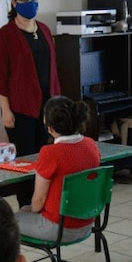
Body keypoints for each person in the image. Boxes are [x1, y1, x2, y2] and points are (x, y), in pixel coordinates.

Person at [0, 0, 61, 207]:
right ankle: (25, 206)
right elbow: (0, 75)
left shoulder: (43, 29)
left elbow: (52, 70)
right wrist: (6, 110)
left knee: (44, 159)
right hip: (20, 110)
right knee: (25, 161)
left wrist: (56, 105)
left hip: (45, 107)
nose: (30, 3)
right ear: (14, 3)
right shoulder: (6, 34)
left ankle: (41, 205)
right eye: (24, 0)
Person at [15, 96, 100, 243]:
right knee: (24, 212)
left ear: (50, 127)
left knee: (5, 220)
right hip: (86, 224)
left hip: (58, 228)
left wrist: (32, 211)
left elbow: (38, 202)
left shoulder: (50, 153)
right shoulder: (91, 145)